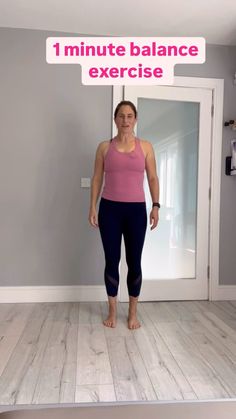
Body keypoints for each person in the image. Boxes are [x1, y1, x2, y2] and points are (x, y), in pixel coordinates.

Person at [88, 100, 160, 329]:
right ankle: (111, 311)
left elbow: (152, 178)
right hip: (109, 210)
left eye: (130, 116)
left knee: (134, 262)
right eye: (121, 116)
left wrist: (156, 205)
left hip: (136, 211)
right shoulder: (103, 147)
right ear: (115, 119)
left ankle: (132, 313)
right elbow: (97, 178)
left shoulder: (146, 147)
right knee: (111, 260)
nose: (125, 120)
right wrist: (92, 206)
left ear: (135, 119)